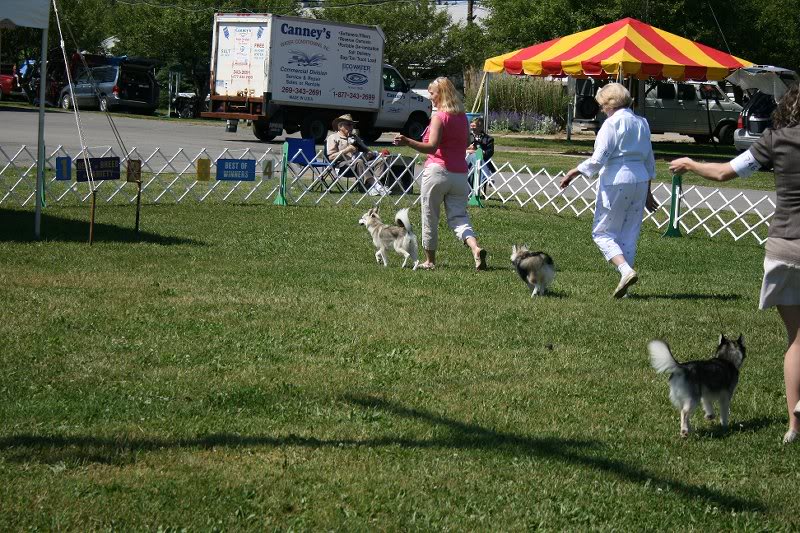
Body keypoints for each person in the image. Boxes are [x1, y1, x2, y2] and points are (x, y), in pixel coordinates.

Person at [670, 84, 800, 444]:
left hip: (782, 248)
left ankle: (794, 428)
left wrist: (691, 163)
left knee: (796, 339)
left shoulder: (774, 139)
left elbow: (726, 172)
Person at [560, 83, 658, 298]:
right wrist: (648, 191)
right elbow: (649, 159)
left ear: (609, 104)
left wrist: (574, 171)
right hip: (640, 180)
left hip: (617, 180)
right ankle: (626, 285)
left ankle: (625, 270)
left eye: (602, 105)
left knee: (602, 233)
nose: (602, 109)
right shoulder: (642, 123)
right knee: (629, 234)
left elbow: (598, 159)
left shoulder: (611, 124)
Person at [393, 77, 487, 270]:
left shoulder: (439, 117)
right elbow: (466, 142)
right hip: (459, 174)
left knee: (430, 216)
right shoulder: (462, 117)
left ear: (441, 94)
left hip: (437, 172)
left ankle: (430, 261)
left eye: (432, 93)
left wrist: (407, 141)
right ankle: (475, 248)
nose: (430, 97)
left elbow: (431, 147)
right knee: (459, 217)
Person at [326, 114, 388, 196]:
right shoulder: (333, 137)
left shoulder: (354, 137)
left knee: (380, 161)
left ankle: (374, 187)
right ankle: (376, 187)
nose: (351, 127)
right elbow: (331, 157)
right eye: (349, 125)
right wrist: (347, 150)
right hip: (341, 166)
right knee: (359, 161)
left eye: (353, 125)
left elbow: (368, 151)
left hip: (359, 163)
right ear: (340, 126)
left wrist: (369, 154)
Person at [466, 117, 495, 192]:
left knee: (477, 156)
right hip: (466, 161)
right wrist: (468, 149)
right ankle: (488, 177)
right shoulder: (466, 137)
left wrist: (478, 151)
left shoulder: (488, 139)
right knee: (475, 156)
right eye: (471, 126)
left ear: (481, 127)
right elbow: (459, 148)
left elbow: (490, 152)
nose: (472, 128)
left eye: (474, 126)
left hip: (481, 161)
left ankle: (475, 191)